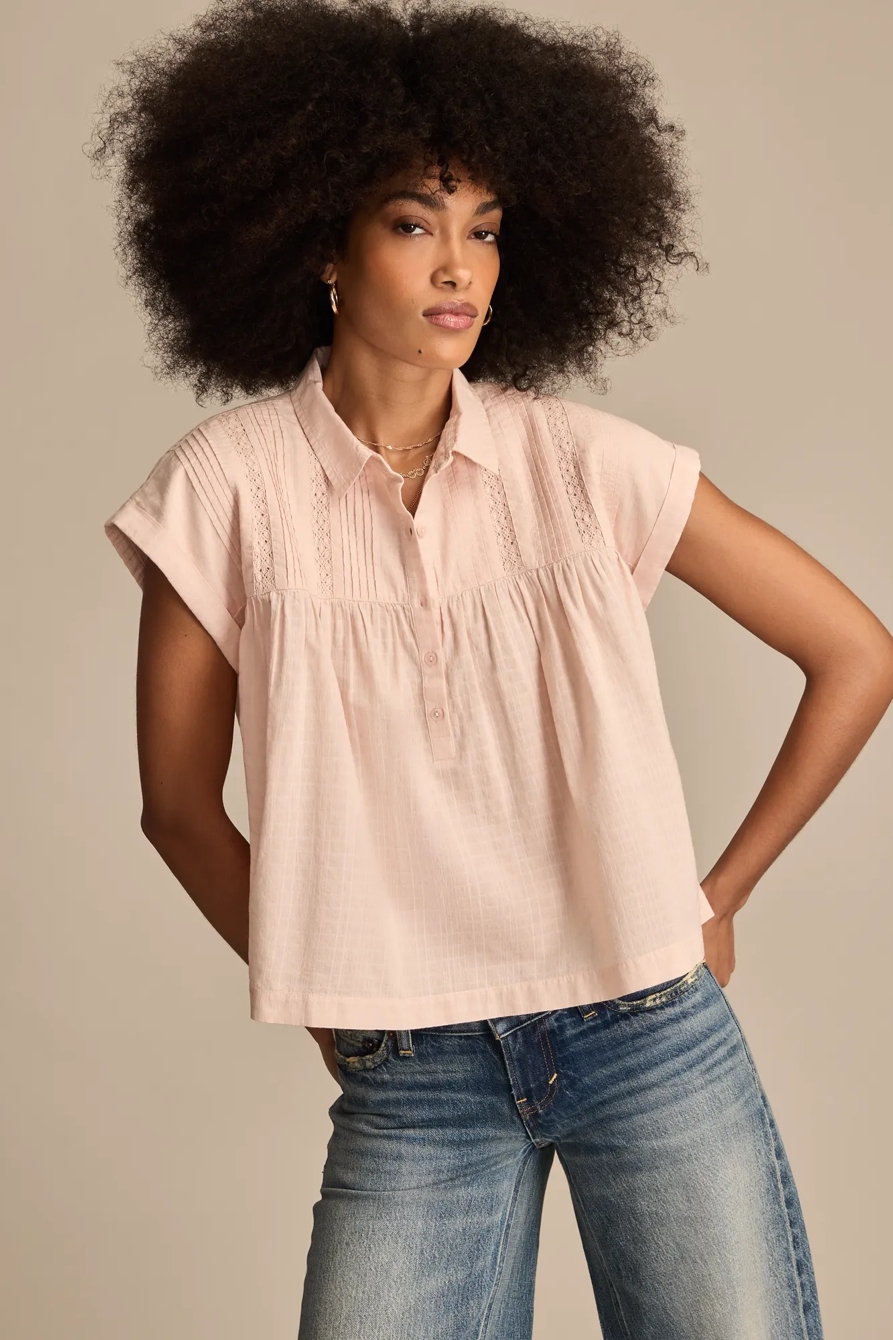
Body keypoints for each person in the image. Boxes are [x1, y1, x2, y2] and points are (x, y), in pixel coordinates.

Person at [89, 1, 893, 1335]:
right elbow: (175, 806)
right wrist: (331, 984)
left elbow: (856, 653)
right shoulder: (223, 491)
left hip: (648, 1030)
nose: (460, 266)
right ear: (322, 244)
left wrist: (719, 893)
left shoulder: (583, 465)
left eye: (487, 228)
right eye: (415, 224)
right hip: (415, 1079)